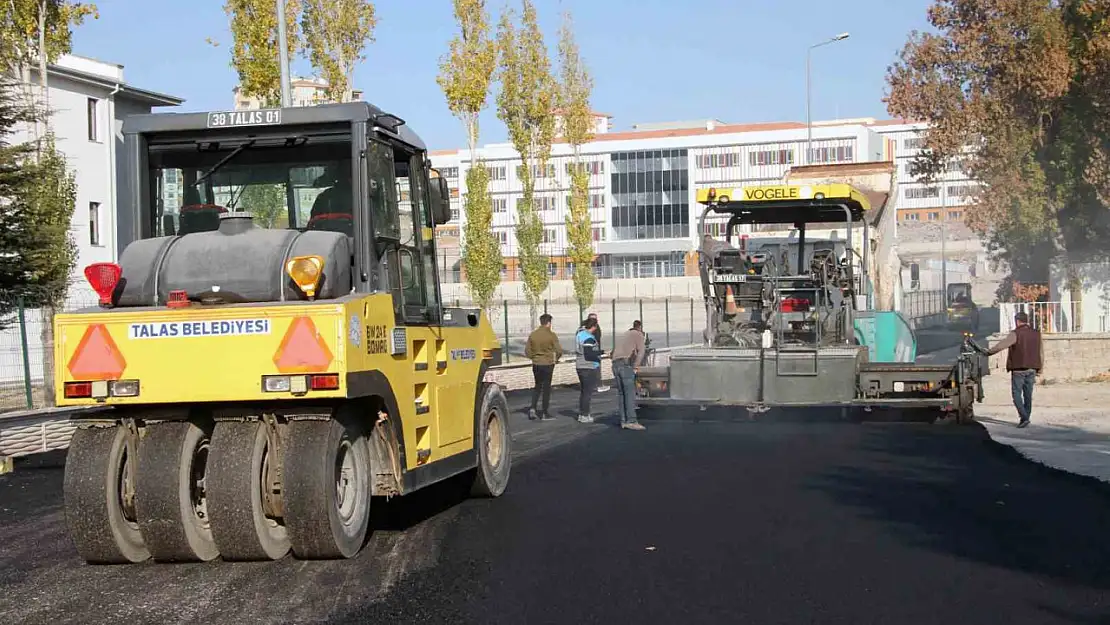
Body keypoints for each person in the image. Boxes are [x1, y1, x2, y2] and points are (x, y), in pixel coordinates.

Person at [981, 311, 1043, 428]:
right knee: (1028, 395)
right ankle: (1026, 418)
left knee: (1016, 395)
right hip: (1032, 368)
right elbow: (1041, 352)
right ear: (1027, 321)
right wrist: (1039, 368)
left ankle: (1024, 417)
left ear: (1017, 321)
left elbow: (1002, 345)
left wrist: (989, 352)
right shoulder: (1036, 333)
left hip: (1019, 369)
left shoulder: (1016, 334)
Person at [610, 320, 648, 431]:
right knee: (630, 394)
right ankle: (631, 421)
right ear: (640, 328)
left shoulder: (625, 334)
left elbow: (612, 353)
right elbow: (641, 351)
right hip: (625, 365)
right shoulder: (638, 335)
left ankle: (623, 420)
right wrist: (636, 366)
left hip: (615, 364)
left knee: (622, 394)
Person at [524, 313, 562, 421]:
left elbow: (527, 351)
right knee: (546, 388)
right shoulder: (551, 335)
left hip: (536, 363)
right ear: (549, 323)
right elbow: (559, 351)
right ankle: (545, 413)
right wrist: (556, 359)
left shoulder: (533, 335)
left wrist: (534, 357)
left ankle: (532, 408)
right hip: (548, 364)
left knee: (537, 386)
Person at [574, 317, 603, 423]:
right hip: (588, 367)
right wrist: (601, 353)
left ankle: (583, 414)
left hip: (580, 365)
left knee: (584, 392)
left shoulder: (579, 334)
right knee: (587, 393)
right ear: (594, 327)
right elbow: (589, 353)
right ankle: (584, 415)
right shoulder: (588, 338)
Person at [585, 312, 609, 392]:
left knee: (596, 368)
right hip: (592, 350)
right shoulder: (589, 329)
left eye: (595, 319)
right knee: (595, 368)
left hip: (596, 349)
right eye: (592, 319)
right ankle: (597, 385)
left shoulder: (596, 328)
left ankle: (595, 384)